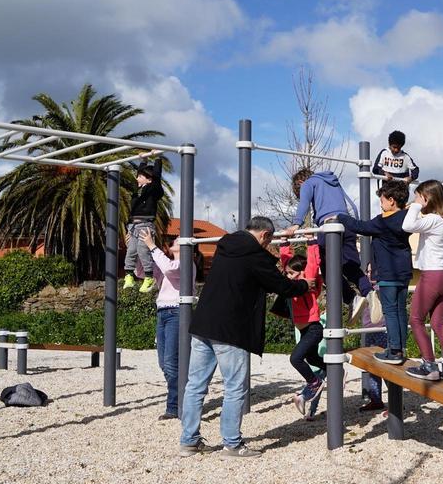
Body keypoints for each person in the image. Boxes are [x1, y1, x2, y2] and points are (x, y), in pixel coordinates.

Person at [180, 216, 309, 458]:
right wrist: (305, 286)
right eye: (267, 241)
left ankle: (188, 440)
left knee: (195, 385)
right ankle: (232, 443)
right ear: (264, 236)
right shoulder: (255, 255)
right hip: (231, 330)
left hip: (203, 324)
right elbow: (280, 285)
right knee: (235, 387)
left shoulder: (225, 245)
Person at [333, 180, 414, 366]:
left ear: (391, 200)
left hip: (387, 273)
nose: (381, 204)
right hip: (404, 272)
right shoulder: (406, 217)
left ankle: (394, 351)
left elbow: (359, 226)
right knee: (401, 310)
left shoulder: (383, 221)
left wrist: (340, 217)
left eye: (382, 200)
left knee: (390, 311)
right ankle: (401, 347)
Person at [281, 168, 371, 322]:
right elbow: (350, 204)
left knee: (327, 270)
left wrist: (296, 225)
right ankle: (369, 292)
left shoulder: (308, 183)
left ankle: (351, 298)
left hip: (329, 227)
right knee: (350, 266)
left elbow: (304, 204)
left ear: (300, 183)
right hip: (347, 224)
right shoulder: (333, 182)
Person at [401, 179, 443, 381]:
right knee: (438, 324)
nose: (415, 200)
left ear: (427, 198)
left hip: (433, 276)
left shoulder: (433, 220)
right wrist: (419, 204)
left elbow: (407, 225)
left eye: (418, 196)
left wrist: (417, 205)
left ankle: (429, 366)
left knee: (416, 320)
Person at [274, 247, 327, 420]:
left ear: (301, 273)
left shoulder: (308, 283)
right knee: (312, 358)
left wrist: (311, 241)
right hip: (305, 330)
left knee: (295, 358)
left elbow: (312, 263)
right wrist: (284, 244)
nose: (287, 276)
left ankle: (314, 382)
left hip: (313, 328)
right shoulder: (292, 285)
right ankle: (335, 371)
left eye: (291, 273)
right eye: (287, 273)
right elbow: (286, 262)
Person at [140, 229, 185, 421]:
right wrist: (138, 250)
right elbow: (143, 271)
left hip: (177, 312)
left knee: (171, 363)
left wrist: (152, 246)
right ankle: (180, 395)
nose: (174, 240)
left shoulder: (185, 264)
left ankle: (174, 406)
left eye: (178, 239)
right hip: (163, 313)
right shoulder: (169, 262)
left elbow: (169, 269)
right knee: (163, 363)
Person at [124, 163, 164, 293]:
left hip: (145, 225)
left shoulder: (154, 191)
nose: (137, 179)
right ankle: (129, 275)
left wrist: (158, 158)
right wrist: (144, 160)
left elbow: (157, 177)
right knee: (131, 251)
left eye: (140, 176)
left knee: (142, 250)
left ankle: (149, 277)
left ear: (149, 179)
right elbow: (140, 173)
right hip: (133, 226)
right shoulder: (137, 192)